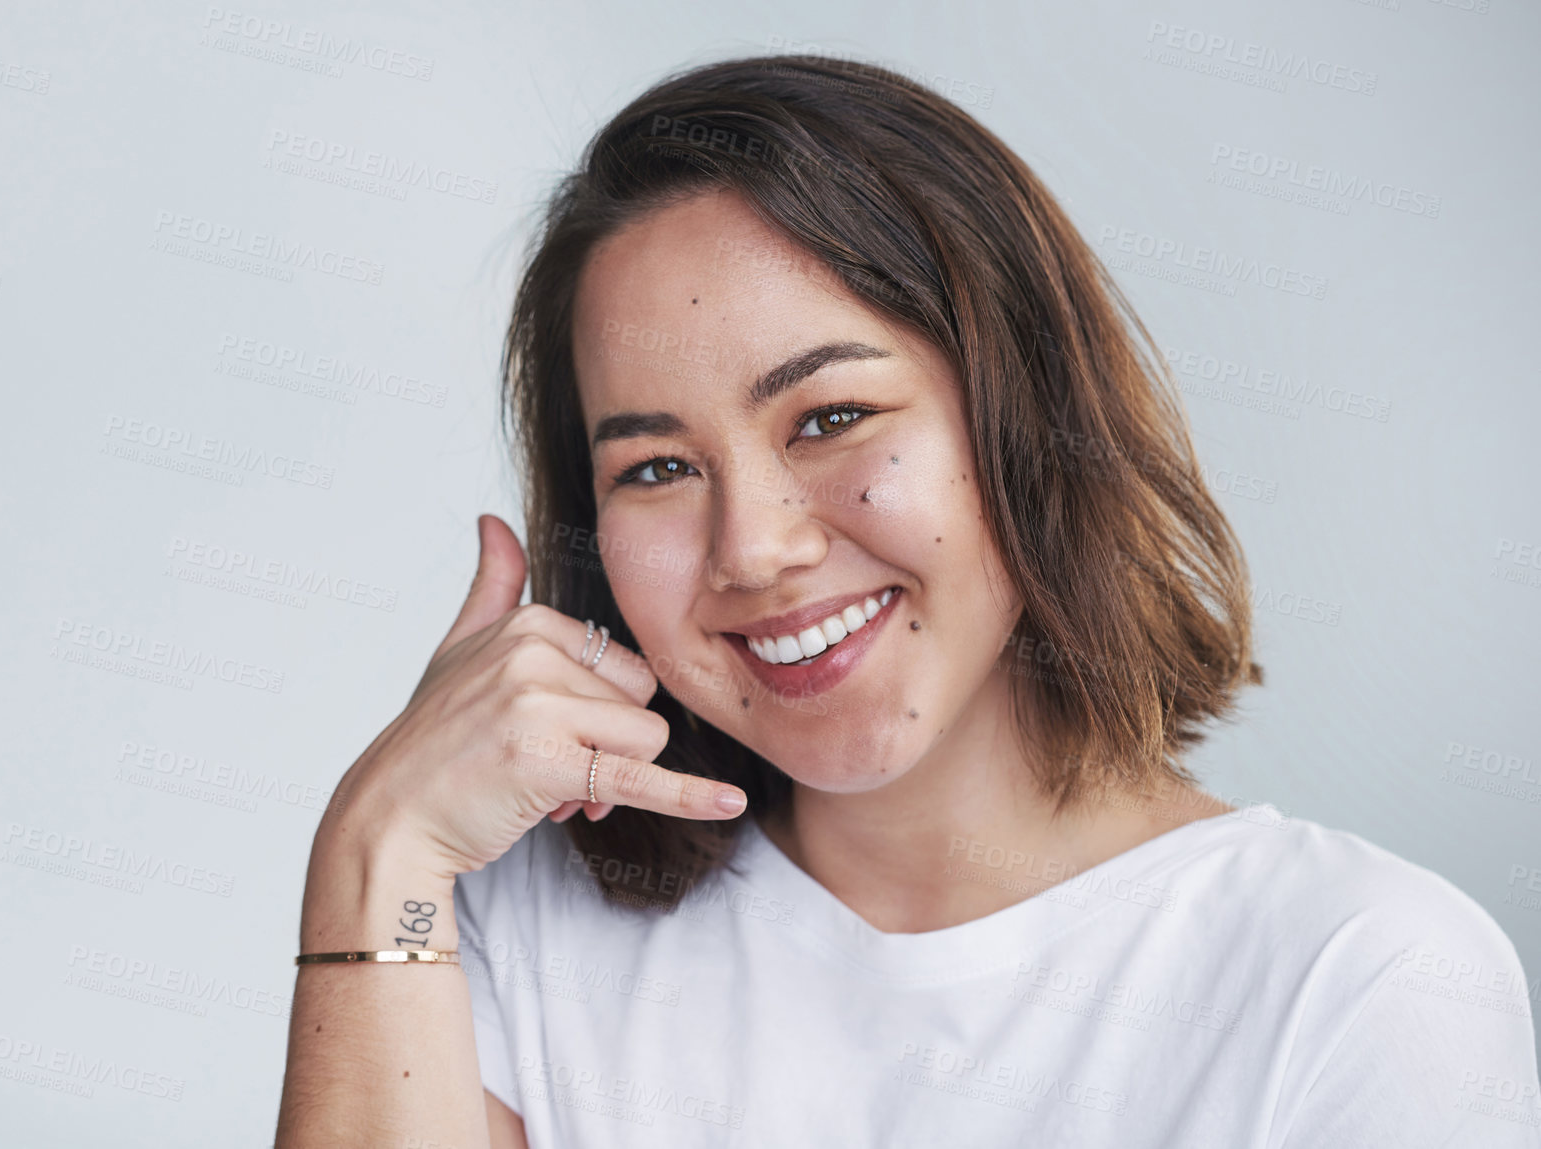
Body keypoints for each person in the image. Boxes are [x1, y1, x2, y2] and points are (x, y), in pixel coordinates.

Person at [275, 55, 1541, 1148]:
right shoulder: (501, 928)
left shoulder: (1363, 977)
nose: (754, 549)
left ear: (1024, 418)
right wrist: (375, 848)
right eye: (656, 467)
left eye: (831, 417)